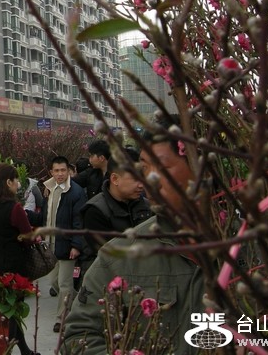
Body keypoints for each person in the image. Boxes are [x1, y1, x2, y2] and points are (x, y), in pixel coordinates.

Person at [61, 125, 202, 355]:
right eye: (144, 168)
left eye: (162, 167)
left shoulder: (253, 250)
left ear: (203, 168)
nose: (148, 181)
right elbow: (77, 337)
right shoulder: (116, 256)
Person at [0, 164, 38, 355]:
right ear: (8, 182)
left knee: (8, 310)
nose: (18, 183)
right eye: (15, 179)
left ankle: (24, 350)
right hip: (14, 268)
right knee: (12, 312)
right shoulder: (14, 208)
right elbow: (28, 238)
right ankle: (7, 350)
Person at [78, 150, 153, 272]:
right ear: (115, 179)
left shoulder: (148, 206)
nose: (141, 185)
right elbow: (111, 257)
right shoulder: (95, 211)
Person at [42, 155, 87, 334]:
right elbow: (45, 216)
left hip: (67, 245)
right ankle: (81, 301)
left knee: (64, 284)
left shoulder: (76, 192)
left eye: (63, 170)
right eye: (56, 171)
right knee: (54, 281)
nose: (60, 174)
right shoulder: (49, 189)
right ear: (51, 172)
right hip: (50, 244)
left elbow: (79, 221)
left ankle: (62, 319)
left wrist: (76, 245)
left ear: (69, 171)